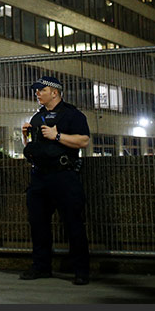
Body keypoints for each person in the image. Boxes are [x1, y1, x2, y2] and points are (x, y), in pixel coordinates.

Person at [20, 76, 91, 285]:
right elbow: (32, 145)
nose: (37, 93)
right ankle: (41, 267)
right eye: (37, 90)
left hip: (64, 175)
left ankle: (81, 270)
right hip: (40, 176)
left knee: (73, 223)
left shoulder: (72, 114)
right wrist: (25, 136)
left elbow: (84, 140)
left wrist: (57, 136)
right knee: (38, 224)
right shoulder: (37, 117)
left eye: (41, 90)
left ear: (54, 92)